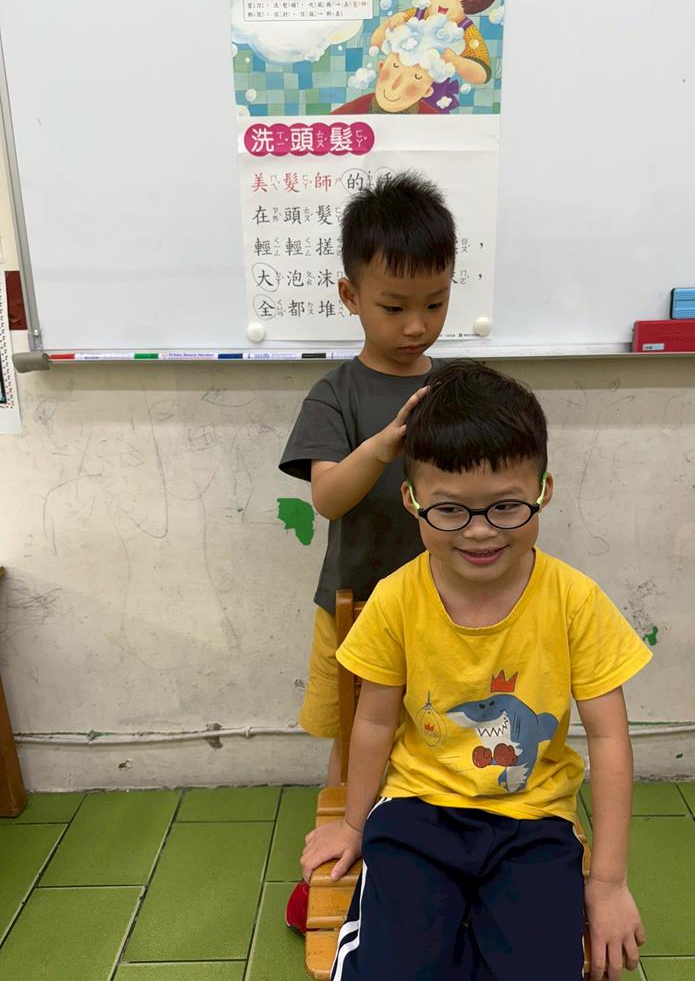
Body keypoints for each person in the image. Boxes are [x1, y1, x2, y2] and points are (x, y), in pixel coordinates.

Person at [301, 361, 653, 981]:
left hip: (535, 822)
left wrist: (608, 884)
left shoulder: (576, 601)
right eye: (450, 510)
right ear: (411, 501)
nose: (481, 532)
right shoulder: (395, 598)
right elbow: (374, 723)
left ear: (544, 489)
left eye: (506, 506)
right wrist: (354, 824)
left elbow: (609, 739)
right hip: (415, 812)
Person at [279, 171, 456, 932]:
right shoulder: (336, 394)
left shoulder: (456, 390)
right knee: (354, 744)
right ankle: (335, 868)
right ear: (350, 296)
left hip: (448, 609)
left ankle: (430, 866)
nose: (417, 325)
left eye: (435, 304)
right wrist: (382, 446)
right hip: (354, 605)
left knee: (440, 737)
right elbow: (327, 497)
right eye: (394, 306)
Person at [371, 0, 504, 112]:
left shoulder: (466, 32)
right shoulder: (415, 15)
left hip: (434, 97)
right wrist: (391, 24)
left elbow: (482, 75)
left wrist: (455, 60)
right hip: (395, 81)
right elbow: (376, 41)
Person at [334, 14, 464, 115]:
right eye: (395, 66)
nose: (395, 85)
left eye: (417, 77)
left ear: (427, 91)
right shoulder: (350, 112)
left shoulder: (433, 121)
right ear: (381, 67)